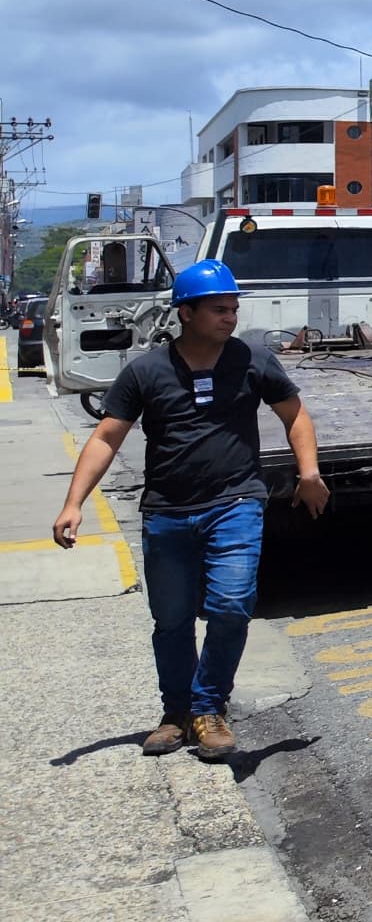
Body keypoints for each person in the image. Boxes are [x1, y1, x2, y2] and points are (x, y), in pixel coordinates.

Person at [52, 259, 330, 760]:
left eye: (233, 308)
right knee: (172, 620)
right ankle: (176, 712)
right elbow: (106, 437)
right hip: (167, 511)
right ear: (187, 313)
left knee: (230, 607)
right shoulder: (147, 371)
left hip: (236, 503)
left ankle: (208, 708)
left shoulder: (253, 360)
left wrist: (308, 473)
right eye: (219, 309)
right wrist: (74, 504)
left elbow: (296, 415)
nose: (230, 317)